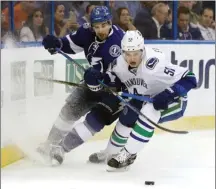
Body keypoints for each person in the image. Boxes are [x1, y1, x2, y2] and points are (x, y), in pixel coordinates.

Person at [86, 30, 197, 171]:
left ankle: (128, 155)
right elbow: (114, 82)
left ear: (142, 50)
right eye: (127, 54)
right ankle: (110, 152)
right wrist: (98, 79)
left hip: (174, 101)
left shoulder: (155, 64)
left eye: (136, 54)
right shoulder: (119, 64)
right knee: (126, 116)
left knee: (149, 110)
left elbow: (191, 78)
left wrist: (169, 94)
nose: (131, 58)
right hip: (145, 98)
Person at [38, 6, 125, 165]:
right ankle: (49, 144)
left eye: (104, 26)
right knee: (70, 109)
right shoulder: (86, 32)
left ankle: (61, 149)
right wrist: (57, 43)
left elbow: (126, 75)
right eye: (97, 26)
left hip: (116, 91)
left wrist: (105, 80)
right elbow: (71, 44)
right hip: (92, 81)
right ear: (91, 25)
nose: (100, 30)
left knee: (94, 121)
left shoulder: (120, 41)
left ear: (110, 23)